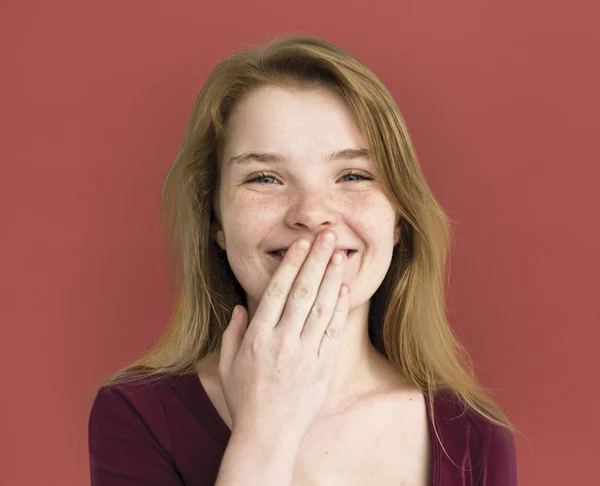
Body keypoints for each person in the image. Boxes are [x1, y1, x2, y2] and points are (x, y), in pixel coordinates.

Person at [86, 34, 519, 485]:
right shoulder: (136, 416)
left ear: (397, 219)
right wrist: (265, 430)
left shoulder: (475, 438)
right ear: (215, 219)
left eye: (353, 175)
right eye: (265, 178)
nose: (312, 214)